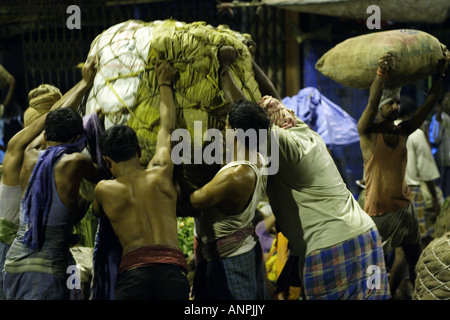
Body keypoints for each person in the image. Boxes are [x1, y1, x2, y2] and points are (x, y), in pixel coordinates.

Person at [217, 45, 389, 300]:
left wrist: (224, 71)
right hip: (365, 236)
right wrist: (250, 63)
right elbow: (271, 99)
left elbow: (246, 115)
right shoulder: (303, 132)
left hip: (329, 247)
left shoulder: (280, 145)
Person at [2, 58, 103, 300]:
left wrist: (84, 83)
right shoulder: (71, 161)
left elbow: (50, 120)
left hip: (13, 259)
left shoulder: (27, 152)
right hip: (31, 262)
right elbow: (103, 172)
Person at [92, 60, 190, 300]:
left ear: (107, 160)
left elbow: (96, 213)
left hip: (134, 276)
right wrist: (164, 82)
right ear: (138, 151)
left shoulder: (103, 190)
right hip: (173, 273)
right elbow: (168, 128)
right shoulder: (161, 170)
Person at [357, 52, 448, 296]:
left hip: (404, 207)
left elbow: (428, 104)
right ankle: (375, 295)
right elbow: (371, 103)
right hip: (378, 211)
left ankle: (407, 293)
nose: (396, 107)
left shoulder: (403, 131)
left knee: (412, 257)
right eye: (390, 103)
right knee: (373, 263)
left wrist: (439, 74)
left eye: (397, 103)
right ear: (379, 108)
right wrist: (381, 75)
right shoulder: (367, 132)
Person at [188, 93, 270, 300]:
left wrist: (179, 169)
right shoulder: (260, 160)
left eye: (226, 126)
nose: (223, 131)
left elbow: (194, 201)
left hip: (229, 262)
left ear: (235, 132)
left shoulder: (234, 176)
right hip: (245, 250)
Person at [429, 92, 450, 198]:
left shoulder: (438, 118)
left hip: (440, 158)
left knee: (438, 188)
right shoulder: (448, 117)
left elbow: (435, 138)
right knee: (447, 190)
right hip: (448, 158)